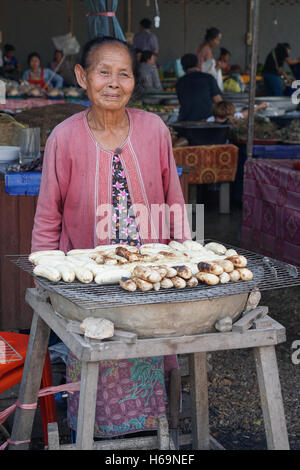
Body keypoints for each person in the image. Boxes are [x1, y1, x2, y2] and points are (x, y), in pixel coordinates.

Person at [31, 36, 190, 439]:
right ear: (83, 77)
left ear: (135, 82)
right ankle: (94, 437)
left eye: (124, 74)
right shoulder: (63, 139)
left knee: (148, 355)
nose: (114, 83)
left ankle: (155, 435)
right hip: (89, 285)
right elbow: (48, 215)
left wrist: (183, 263)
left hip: (149, 280)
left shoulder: (154, 129)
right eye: (104, 72)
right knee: (96, 360)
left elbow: (174, 201)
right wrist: (45, 277)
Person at [176, 53, 222, 122]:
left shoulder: (180, 82)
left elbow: (183, 103)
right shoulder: (208, 78)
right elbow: (218, 102)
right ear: (198, 64)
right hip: (207, 121)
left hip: (185, 122)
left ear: (183, 68)